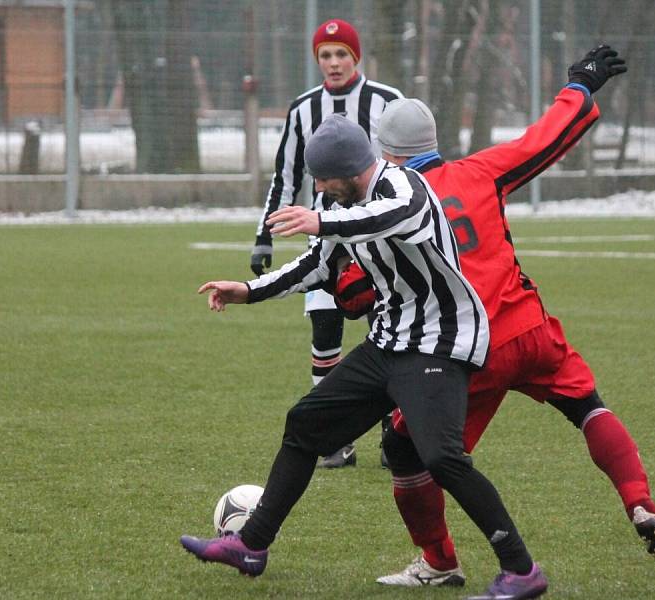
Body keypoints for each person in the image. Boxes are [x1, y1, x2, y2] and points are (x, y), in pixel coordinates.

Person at [334, 45, 655, 592]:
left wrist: (341, 281)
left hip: (466, 353)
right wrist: (581, 87)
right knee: (588, 406)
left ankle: (440, 561)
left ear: (385, 152)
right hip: (531, 330)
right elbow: (544, 138)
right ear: (433, 143)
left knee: (406, 447)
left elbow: (354, 293)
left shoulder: (388, 205)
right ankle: (639, 501)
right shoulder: (481, 172)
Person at [181, 114, 549, 600]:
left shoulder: (406, 187)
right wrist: (246, 291)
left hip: (439, 342)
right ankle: (251, 546)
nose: (319, 187)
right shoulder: (338, 204)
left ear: (351, 171)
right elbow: (315, 263)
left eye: (323, 178)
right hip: (389, 342)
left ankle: (521, 570)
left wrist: (320, 219)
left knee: (442, 457)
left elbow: (383, 219)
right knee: (304, 424)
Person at [250, 18, 403, 469]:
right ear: (316, 59)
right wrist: (264, 236)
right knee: (324, 326)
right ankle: (334, 441)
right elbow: (287, 176)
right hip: (325, 236)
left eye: (341, 54)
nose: (333, 62)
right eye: (325, 55)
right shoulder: (302, 109)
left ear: (356, 57)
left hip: (379, 236)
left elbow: (410, 165)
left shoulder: (386, 101)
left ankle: (396, 435)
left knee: (391, 331)